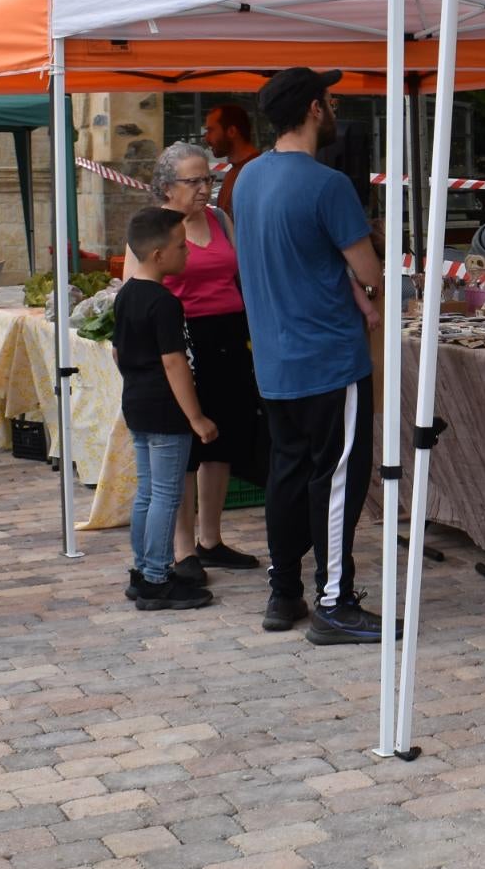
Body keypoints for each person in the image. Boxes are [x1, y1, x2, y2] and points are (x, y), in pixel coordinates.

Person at [234, 67, 386, 646]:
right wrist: (364, 293)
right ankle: (334, 601)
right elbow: (370, 273)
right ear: (316, 109)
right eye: (331, 98)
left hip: (275, 358)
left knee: (288, 475)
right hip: (329, 356)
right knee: (339, 478)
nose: (335, 106)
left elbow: (286, 257)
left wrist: (343, 280)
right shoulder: (327, 185)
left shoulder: (247, 178)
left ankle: (284, 590)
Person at [153, 141, 263, 577]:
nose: (204, 188)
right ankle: (184, 550)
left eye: (208, 179)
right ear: (166, 187)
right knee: (186, 446)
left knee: (223, 440)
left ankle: (211, 538)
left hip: (230, 337)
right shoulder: (156, 227)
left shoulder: (219, 219)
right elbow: (138, 289)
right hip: (184, 341)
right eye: (194, 180)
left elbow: (243, 274)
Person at [114, 206, 220, 611]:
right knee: (166, 495)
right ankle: (158, 578)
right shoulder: (163, 303)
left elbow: (118, 352)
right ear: (158, 255)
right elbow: (175, 362)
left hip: (138, 405)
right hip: (166, 412)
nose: (188, 252)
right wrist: (196, 417)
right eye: (181, 246)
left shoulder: (126, 294)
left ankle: (142, 570)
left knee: (147, 493)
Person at [204, 102, 262, 218]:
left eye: (211, 130)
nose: (207, 138)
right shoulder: (234, 171)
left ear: (231, 131)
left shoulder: (258, 172)